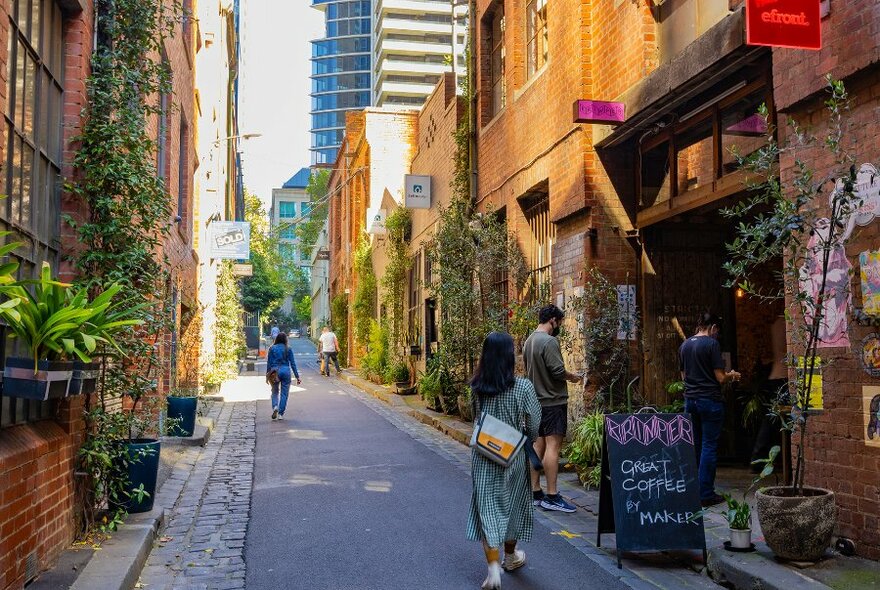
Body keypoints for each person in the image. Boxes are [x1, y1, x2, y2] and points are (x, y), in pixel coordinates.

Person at [466, 331, 542, 590]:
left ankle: (493, 569)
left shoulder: (477, 388)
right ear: (510, 357)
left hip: (484, 456)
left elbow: (475, 417)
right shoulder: (523, 387)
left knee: (487, 507)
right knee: (512, 507)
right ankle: (511, 556)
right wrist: (526, 440)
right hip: (513, 457)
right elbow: (533, 424)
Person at [522, 304, 582, 513]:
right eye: (559, 322)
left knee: (538, 446)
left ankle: (535, 491)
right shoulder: (549, 341)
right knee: (553, 448)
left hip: (534, 402)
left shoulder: (528, 341)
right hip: (552, 402)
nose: (559, 327)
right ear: (552, 321)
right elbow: (557, 371)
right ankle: (553, 495)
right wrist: (573, 377)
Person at [679, 312, 740, 507]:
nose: (717, 334)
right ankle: (705, 493)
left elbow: (683, 377)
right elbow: (720, 377)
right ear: (713, 327)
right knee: (709, 446)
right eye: (717, 331)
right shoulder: (712, 345)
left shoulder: (685, 345)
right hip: (709, 400)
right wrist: (732, 375)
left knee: (695, 446)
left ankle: (692, 490)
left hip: (690, 401)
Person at [266, 332, 301, 420]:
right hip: (286, 371)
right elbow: (293, 363)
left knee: (274, 391)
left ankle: (275, 407)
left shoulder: (272, 348)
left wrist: (267, 375)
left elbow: (269, 363)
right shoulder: (288, 348)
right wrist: (297, 376)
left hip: (274, 372)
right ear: (285, 339)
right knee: (284, 393)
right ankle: (281, 414)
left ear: (276, 339)